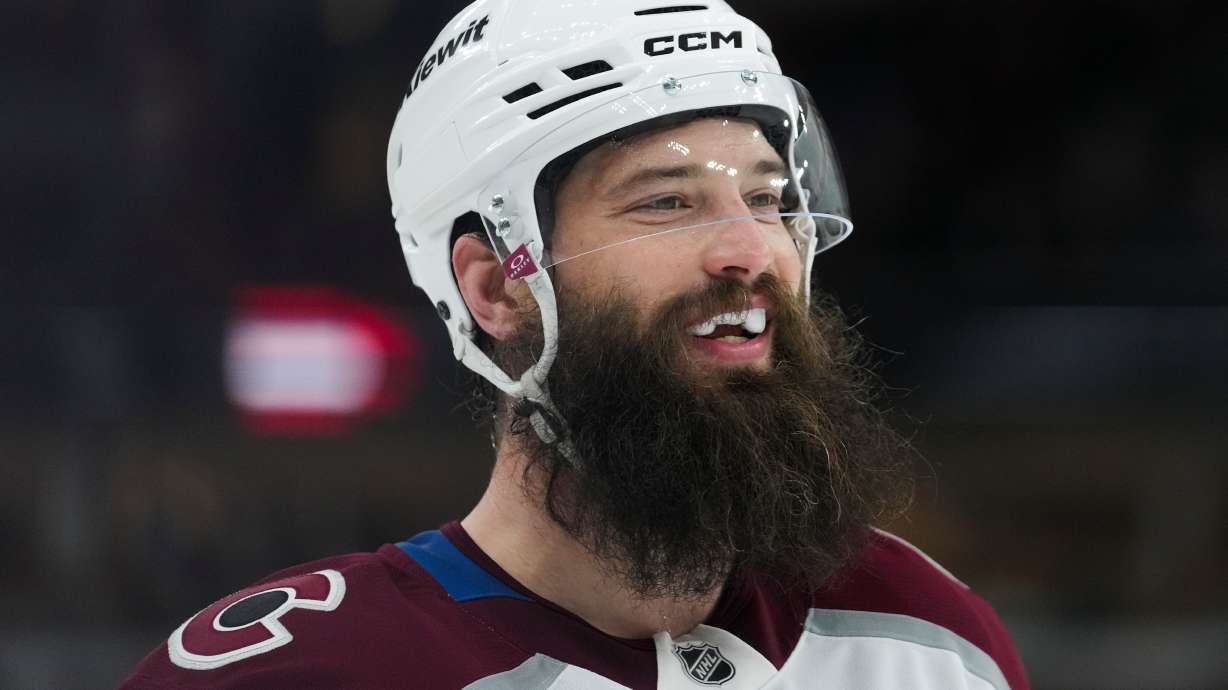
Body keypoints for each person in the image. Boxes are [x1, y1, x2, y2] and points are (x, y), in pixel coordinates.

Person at [121, 1, 1029, 687]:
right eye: (665, 201)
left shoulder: (920, 636)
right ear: (496, 286)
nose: (753, 249)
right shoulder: (306, 672)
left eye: (766, 197)